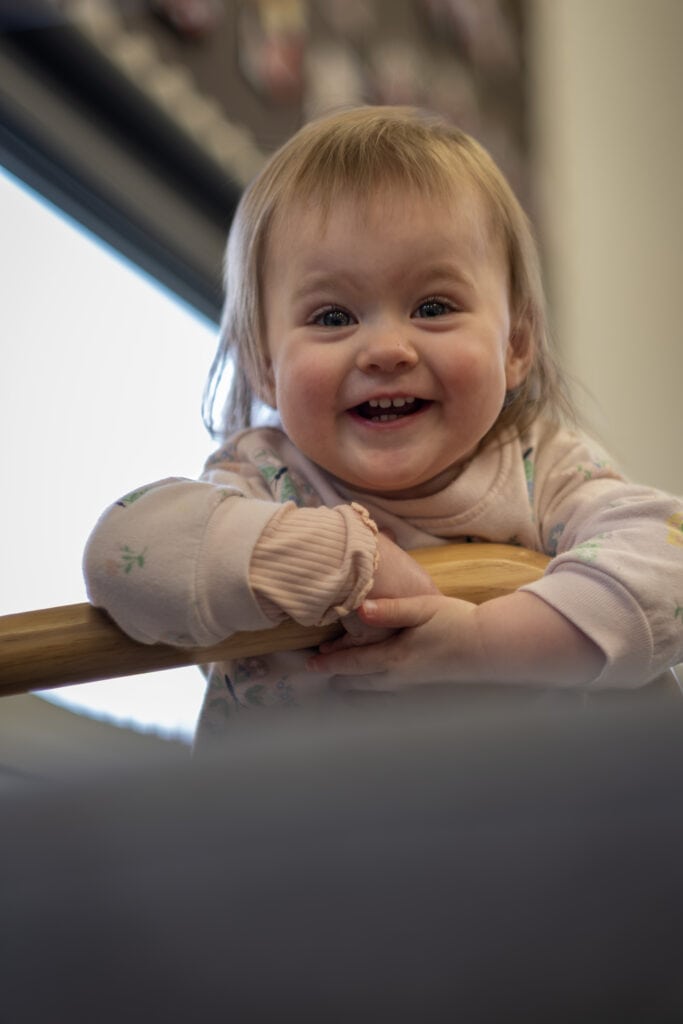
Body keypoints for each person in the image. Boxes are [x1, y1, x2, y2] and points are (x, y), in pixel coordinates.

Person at [83, 106, 683, 744]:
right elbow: (122, 555)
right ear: (264, 364)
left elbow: (667, 559)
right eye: (334, 317)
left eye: (433, 306)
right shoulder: (265, 479)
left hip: (535, 823)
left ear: (516, 346)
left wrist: (488, 644)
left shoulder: (543, 467)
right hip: (306, 832)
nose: (386, 349)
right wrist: (346, 562)